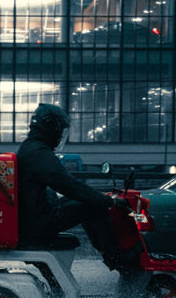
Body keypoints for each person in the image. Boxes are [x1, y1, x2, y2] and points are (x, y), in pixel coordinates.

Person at [16, 103, 123, 269]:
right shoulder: (39, 154)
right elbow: (70, 186)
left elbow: (65, 186)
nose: (60, 136)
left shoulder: (30, 148)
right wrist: (110, 202)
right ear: (50, 127)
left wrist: (99, 197)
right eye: (60, 130)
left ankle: (113, 257)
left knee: (87, 202)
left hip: (34, 217)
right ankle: (117, 259)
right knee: (92, 207)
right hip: (39, 223)